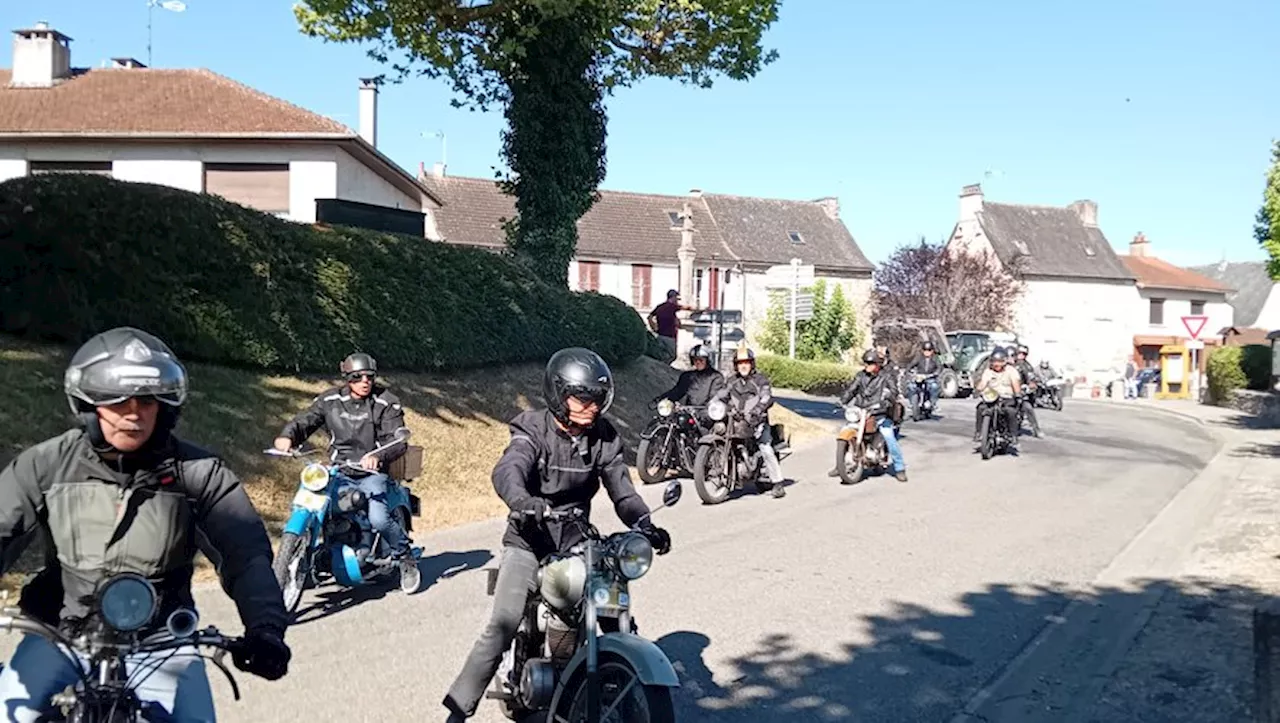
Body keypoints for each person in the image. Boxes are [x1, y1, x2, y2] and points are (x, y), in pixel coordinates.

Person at [0, 327, 291, 722]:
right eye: (117, 401)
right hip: (60, 632)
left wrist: (266, 628)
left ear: (165, 408)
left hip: (161, 638)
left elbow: (246, 554)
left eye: (147, 401)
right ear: (89, 406)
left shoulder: (200, 473)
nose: (134, 413)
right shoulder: (46, 464)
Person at [442, 348, 673, 722]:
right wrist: (522, 499)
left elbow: (623, 491)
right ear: (557, 393)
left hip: (578, 540)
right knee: (502, 625)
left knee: (617, 613)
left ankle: (617, 686)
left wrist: (644, 524)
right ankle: (457, 712)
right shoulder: (532, 428)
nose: (591, 407)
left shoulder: (604, 437)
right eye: (582, 398)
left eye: (596, 399)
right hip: (530, 538)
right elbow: (509, 467)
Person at [273, 352, 415, 580]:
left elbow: (397, 441)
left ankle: (405, 557)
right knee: (317, 504)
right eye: (357, 377)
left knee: (379, 518)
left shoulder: (386, 402)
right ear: (347, 378)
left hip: (372, 472)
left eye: (369, 376)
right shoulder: (330, 400)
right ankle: (308, 555)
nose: (365, 381)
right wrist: (287, 437)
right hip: (338, 469)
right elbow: (306, 420)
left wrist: (378, 456)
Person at [713, 345, 790, 498]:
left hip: (757, 420)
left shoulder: (760, 379)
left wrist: (759, 409)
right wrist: (712, 404)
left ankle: (777, 483)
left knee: (765, 447)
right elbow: (721, 394)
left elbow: (766, 396)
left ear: (752, 364)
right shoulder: (732, 380)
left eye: (746, 362)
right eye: (740, 363)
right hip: (735, 421)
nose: (743, 366)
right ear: (736, 365)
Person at [830, 349, 908, 483]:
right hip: (861, 411)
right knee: (844, 431)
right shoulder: (860, 376)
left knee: (889, 437)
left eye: (870, 363)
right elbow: (851, 390)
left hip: (879, 413)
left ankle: (899, 468)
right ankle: (840, 465)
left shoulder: (886, 376)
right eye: (866, 363)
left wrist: (886, 399)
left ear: (878, 364)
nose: (867, 365)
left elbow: (893, 391)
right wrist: (842, 401)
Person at [973, 348, 1022, 450]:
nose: (997, 364)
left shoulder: (1011, 371)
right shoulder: (988, 371)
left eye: (999, 362)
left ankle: (1013, 436)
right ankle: (979, 433)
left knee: (1010, 411)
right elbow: (983, 383)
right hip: (992, 397)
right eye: (994, 362)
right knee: (980, 408)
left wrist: (1017, 394)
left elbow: (1015, 383)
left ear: (1004, 361)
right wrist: (977, 390)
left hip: (1007, 397)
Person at [654, 343, 726, 409]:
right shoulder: (687, 376)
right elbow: (677, 392)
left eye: (701, 360)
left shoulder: (716, 377)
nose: (698, 362)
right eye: (695, 360)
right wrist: (662, 399)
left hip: (708, 412)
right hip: (689, 411)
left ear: (708, 360)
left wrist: (707, 408)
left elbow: (714, 397)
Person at [647, 289, 694, 364]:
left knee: (662, 355)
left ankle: (661, 367)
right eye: (677, 298)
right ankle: (663, 368)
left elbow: (649, 317)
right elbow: (687, 308)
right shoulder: (672, 307)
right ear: (673, 297)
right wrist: (700, 309)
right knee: (672, 356)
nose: (677, 300)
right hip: (670, 337)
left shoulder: (660, 307)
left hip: (660, 336)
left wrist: (654, 327)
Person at [873, 338, 906, 432]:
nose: (879, 360)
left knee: (896, 405)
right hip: (874, 391)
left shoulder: (892, 367)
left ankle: (894, 423)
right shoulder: (873, 366)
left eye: (881, 357)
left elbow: (895, 382)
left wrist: (893, 392)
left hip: (888, 391)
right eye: (878, 357)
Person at [904, 340, 943, 418]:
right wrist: (908, 371)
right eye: (925, 350)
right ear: (922, 350)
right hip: (919, 377)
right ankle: (912, 403)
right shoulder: (919, 357)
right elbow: (911, 364)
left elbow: (939, 367)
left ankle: (933, 403)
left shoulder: (935, 358)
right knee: (911, 386)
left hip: (930, 377)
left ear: (932, 351)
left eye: (929, 350)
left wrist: (935, 373)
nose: (927, 352)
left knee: (934, 386)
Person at [1013, 344, 1043, 438]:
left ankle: (1036, 429)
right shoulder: (1008, 363)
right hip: (1005, 390)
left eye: (1024, 354)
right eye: (1020, 353)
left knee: (1028, 408)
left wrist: (1031, 385)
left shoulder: (1027, 366)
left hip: (1020, 392)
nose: (1021, 355)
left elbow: (1031, 378)